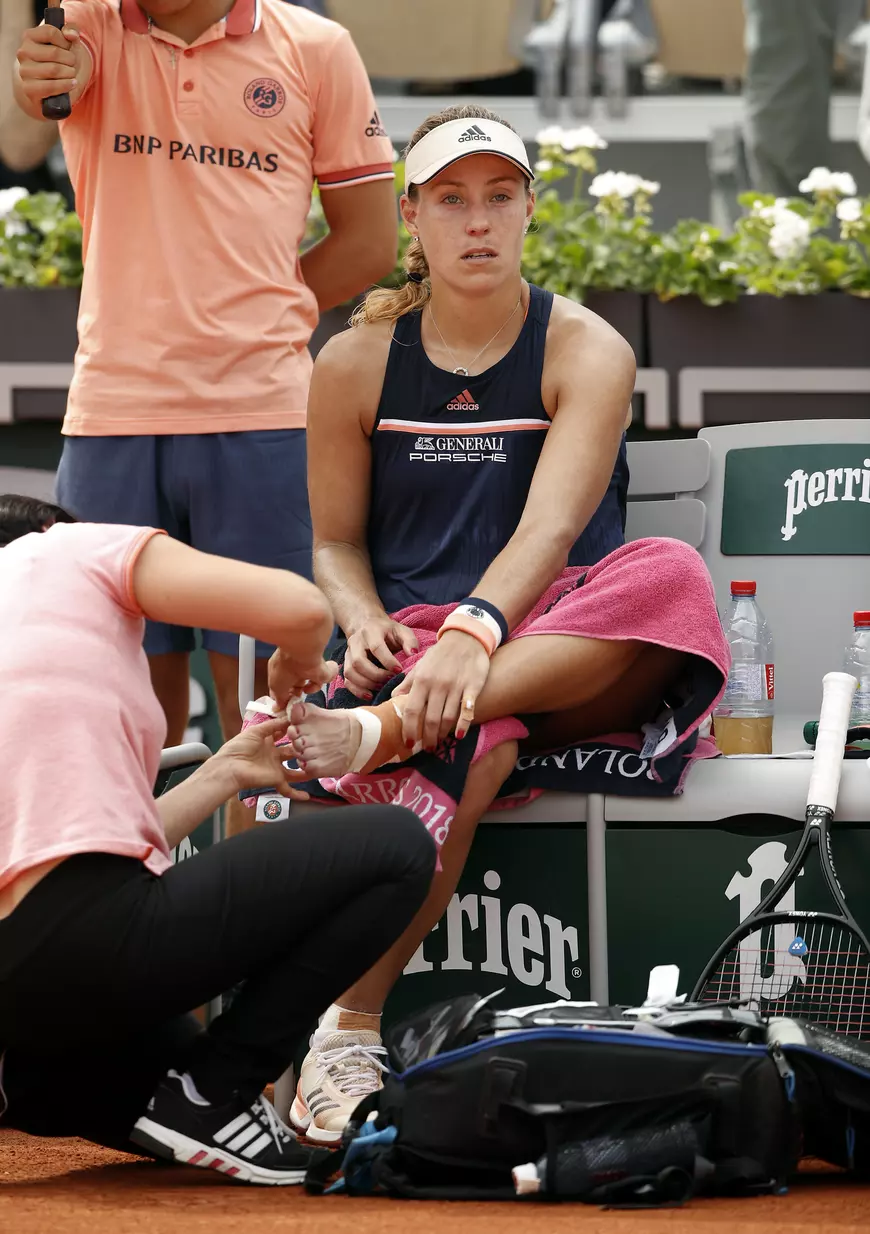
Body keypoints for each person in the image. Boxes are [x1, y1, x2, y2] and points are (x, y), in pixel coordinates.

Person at [267, 105, 730, 1144]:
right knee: (477, 730)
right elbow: (335, 544)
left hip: (559, 643)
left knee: (665, 571)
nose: (478, 222)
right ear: (412, 218)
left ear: (529, 210)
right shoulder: (352, 360)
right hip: (427, 658)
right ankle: (344, 1032)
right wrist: (363, 616)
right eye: (451, 200)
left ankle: (391, 732)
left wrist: (476, 632)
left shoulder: (587, 347)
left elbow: (555, 524)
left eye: (499, 197)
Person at [10, 0, 398, 836]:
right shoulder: (80, 27)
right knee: (110, 704)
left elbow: (371, 242)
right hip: (111, 416)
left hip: (263, 419)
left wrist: (261, 306)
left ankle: (236, 946)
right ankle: (117, 924)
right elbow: (16, 146)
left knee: (258, 711)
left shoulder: (315, 47)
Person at [0, 494, 435, 1184]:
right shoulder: (60, 549)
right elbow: (300, 610)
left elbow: (60, 858)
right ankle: (215, 1089)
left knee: (157, 1102)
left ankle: (178, 1100)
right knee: (397, 845)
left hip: (26, 1042)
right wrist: (295, 662)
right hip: (87, 952)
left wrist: (224, 771)